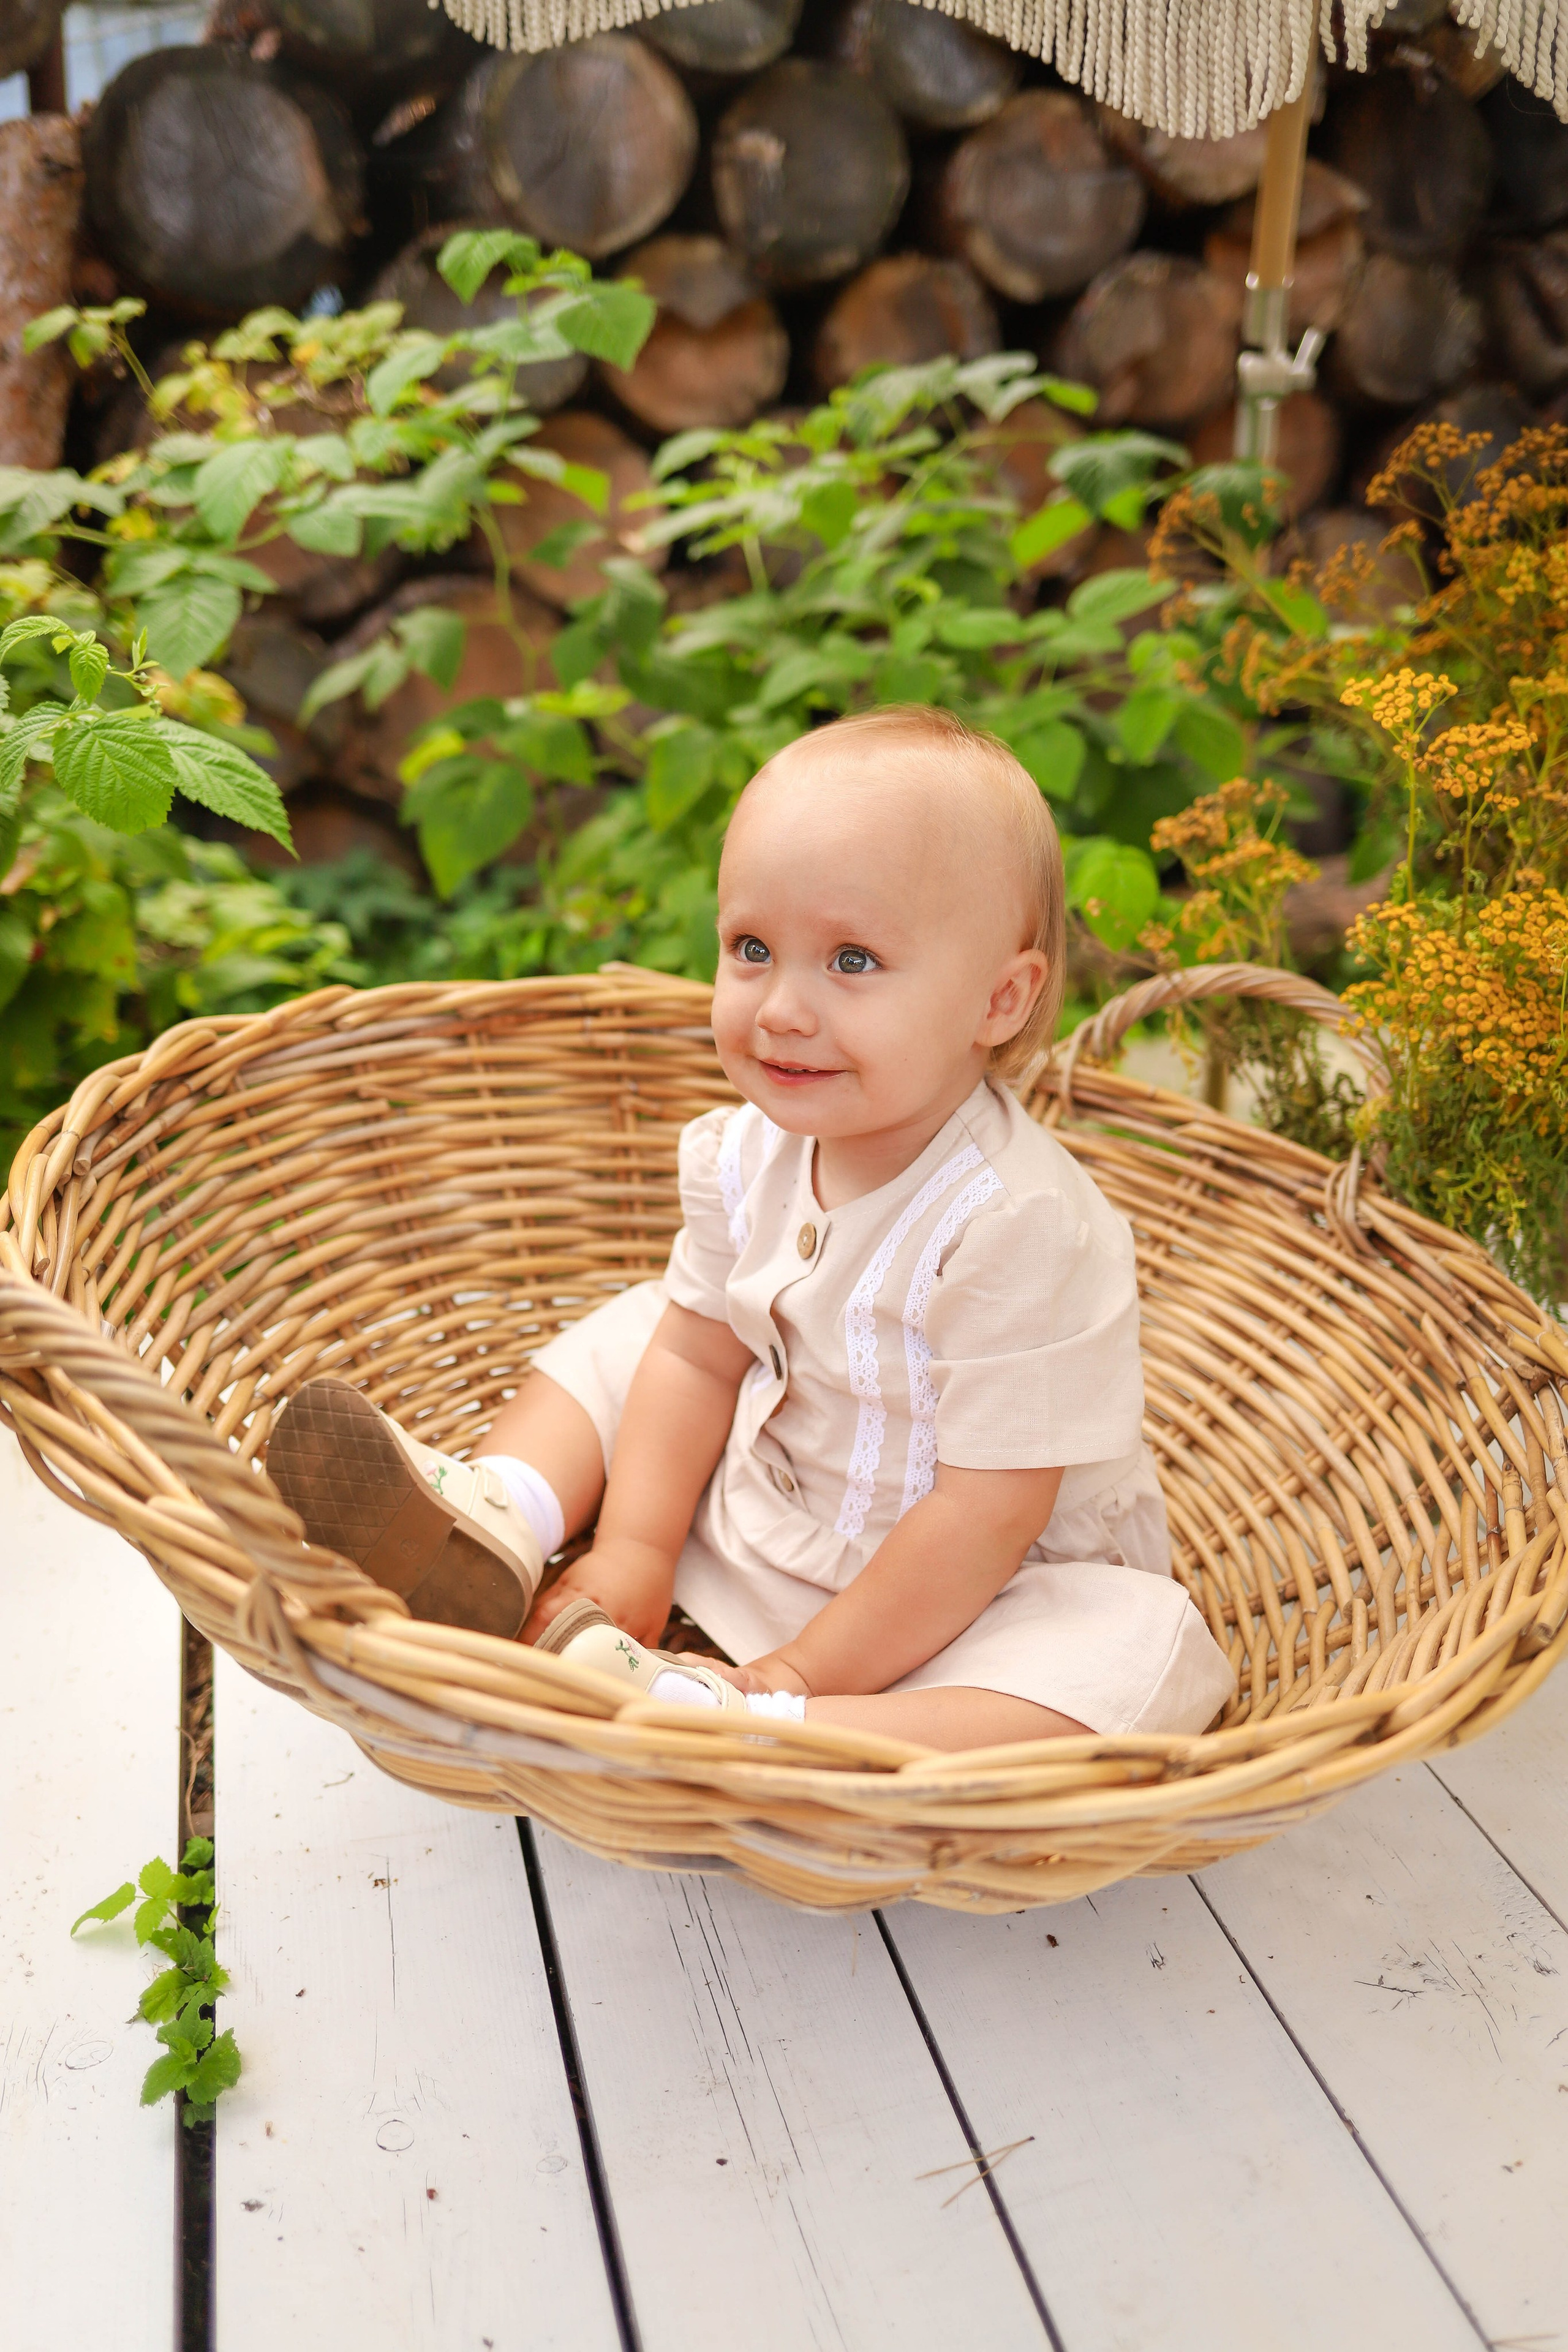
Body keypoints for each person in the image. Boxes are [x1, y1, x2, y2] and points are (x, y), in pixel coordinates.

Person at [270, 707, 1236, 1750]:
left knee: (1143, 1649)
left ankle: (766, 1724)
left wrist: (796, 1671)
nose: (780, 1008)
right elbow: (695, 1362)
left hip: (965, 1601)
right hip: (762, 1511)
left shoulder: (1018, 1228)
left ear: (998, 1000)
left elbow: (985, 1518)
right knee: (652, 1330)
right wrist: (636, 1548)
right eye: (753, 948)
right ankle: (504, 1517)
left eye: (852, 960)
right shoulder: (744, 1152)